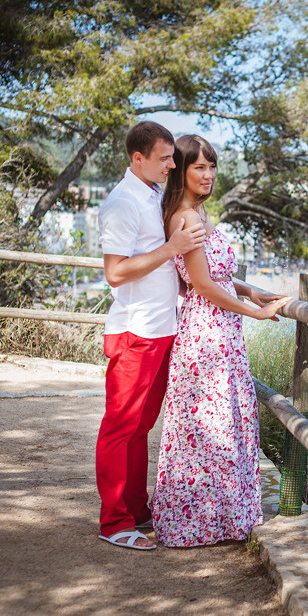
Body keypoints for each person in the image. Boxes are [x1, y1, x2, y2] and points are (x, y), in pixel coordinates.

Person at [151, 134, 291, 547]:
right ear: (181, 170)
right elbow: (202, 285)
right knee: (208, 425)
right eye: (199, 167)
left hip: (220, 330)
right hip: (207, 333)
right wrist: (256, 312)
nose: (209, 174)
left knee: (220, 421)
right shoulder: (186, 218)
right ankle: (201, 522)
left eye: (212, 166)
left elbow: (220, 276)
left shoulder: (198, 212)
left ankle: (219, 517)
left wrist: (251, 292)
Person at [96, 121, 207, 551]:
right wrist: (171, 248)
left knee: (141, 427)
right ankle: (113, 522)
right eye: (164, 158)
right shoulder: (122, 203)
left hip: (163, 328)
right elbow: (115, 272)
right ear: (138, 158)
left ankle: (136, 509)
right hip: (135, 331)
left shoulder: (155, 195)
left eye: (172, 158)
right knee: (120, 427)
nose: (172, 165)